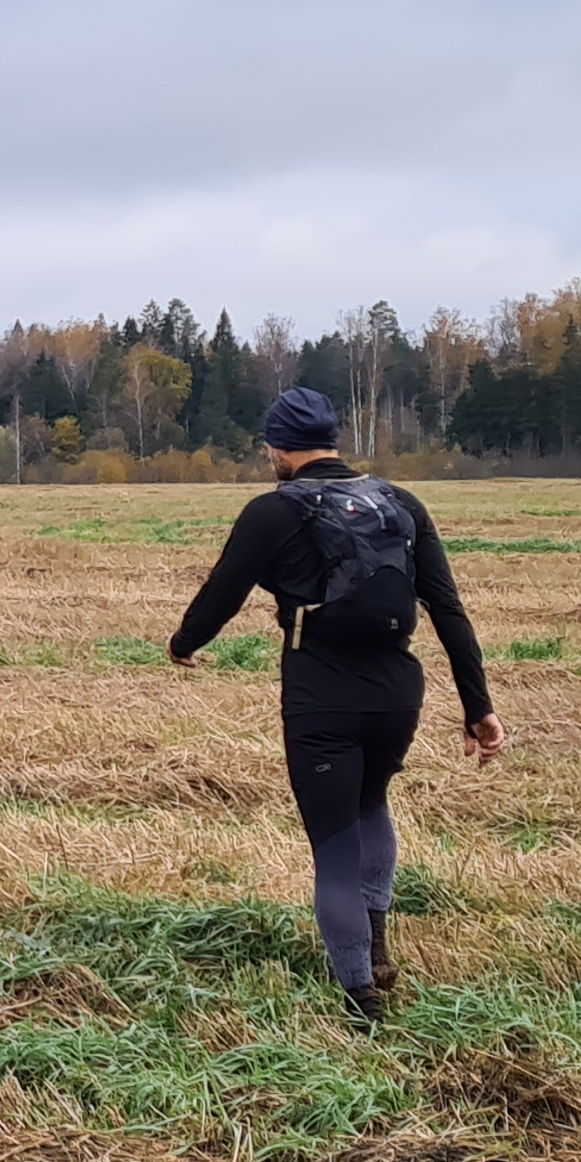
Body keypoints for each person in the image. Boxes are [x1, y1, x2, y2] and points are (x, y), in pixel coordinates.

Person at [164, 385, 503, 1018]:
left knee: (334, 843)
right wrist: (477, 706)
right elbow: (447, 608)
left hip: (322, 697)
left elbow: (221, 594)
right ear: (332, 441)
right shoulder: (400, 503)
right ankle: (375, 947)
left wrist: (185, 643)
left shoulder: (273, 511)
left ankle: (359, 995)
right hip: (398, 694)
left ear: (277, 449)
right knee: (370, 801)